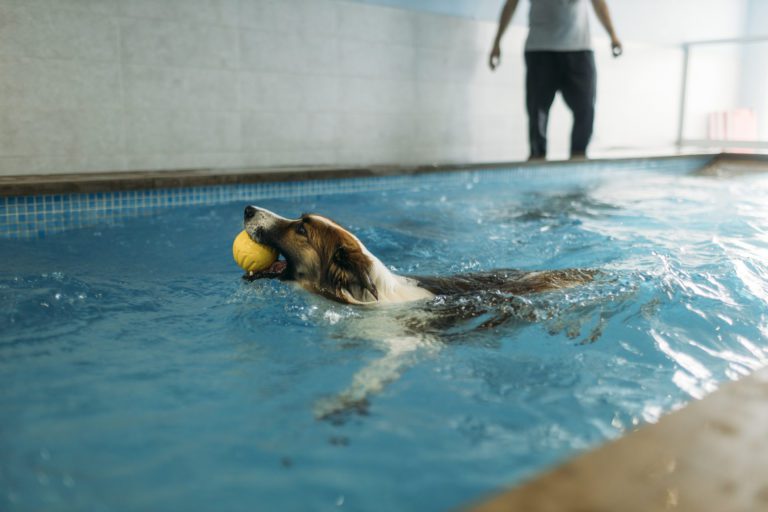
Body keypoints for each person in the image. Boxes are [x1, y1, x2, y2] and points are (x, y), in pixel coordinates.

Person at [489, 0, 622, 160]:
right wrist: (497, 42)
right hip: (540, 50)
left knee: (585, 109)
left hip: (579, 49)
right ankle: (537, 157)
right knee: (537, 111)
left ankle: (579, 156)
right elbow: (511, 5)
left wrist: (613, 35)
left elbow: (599, 3)